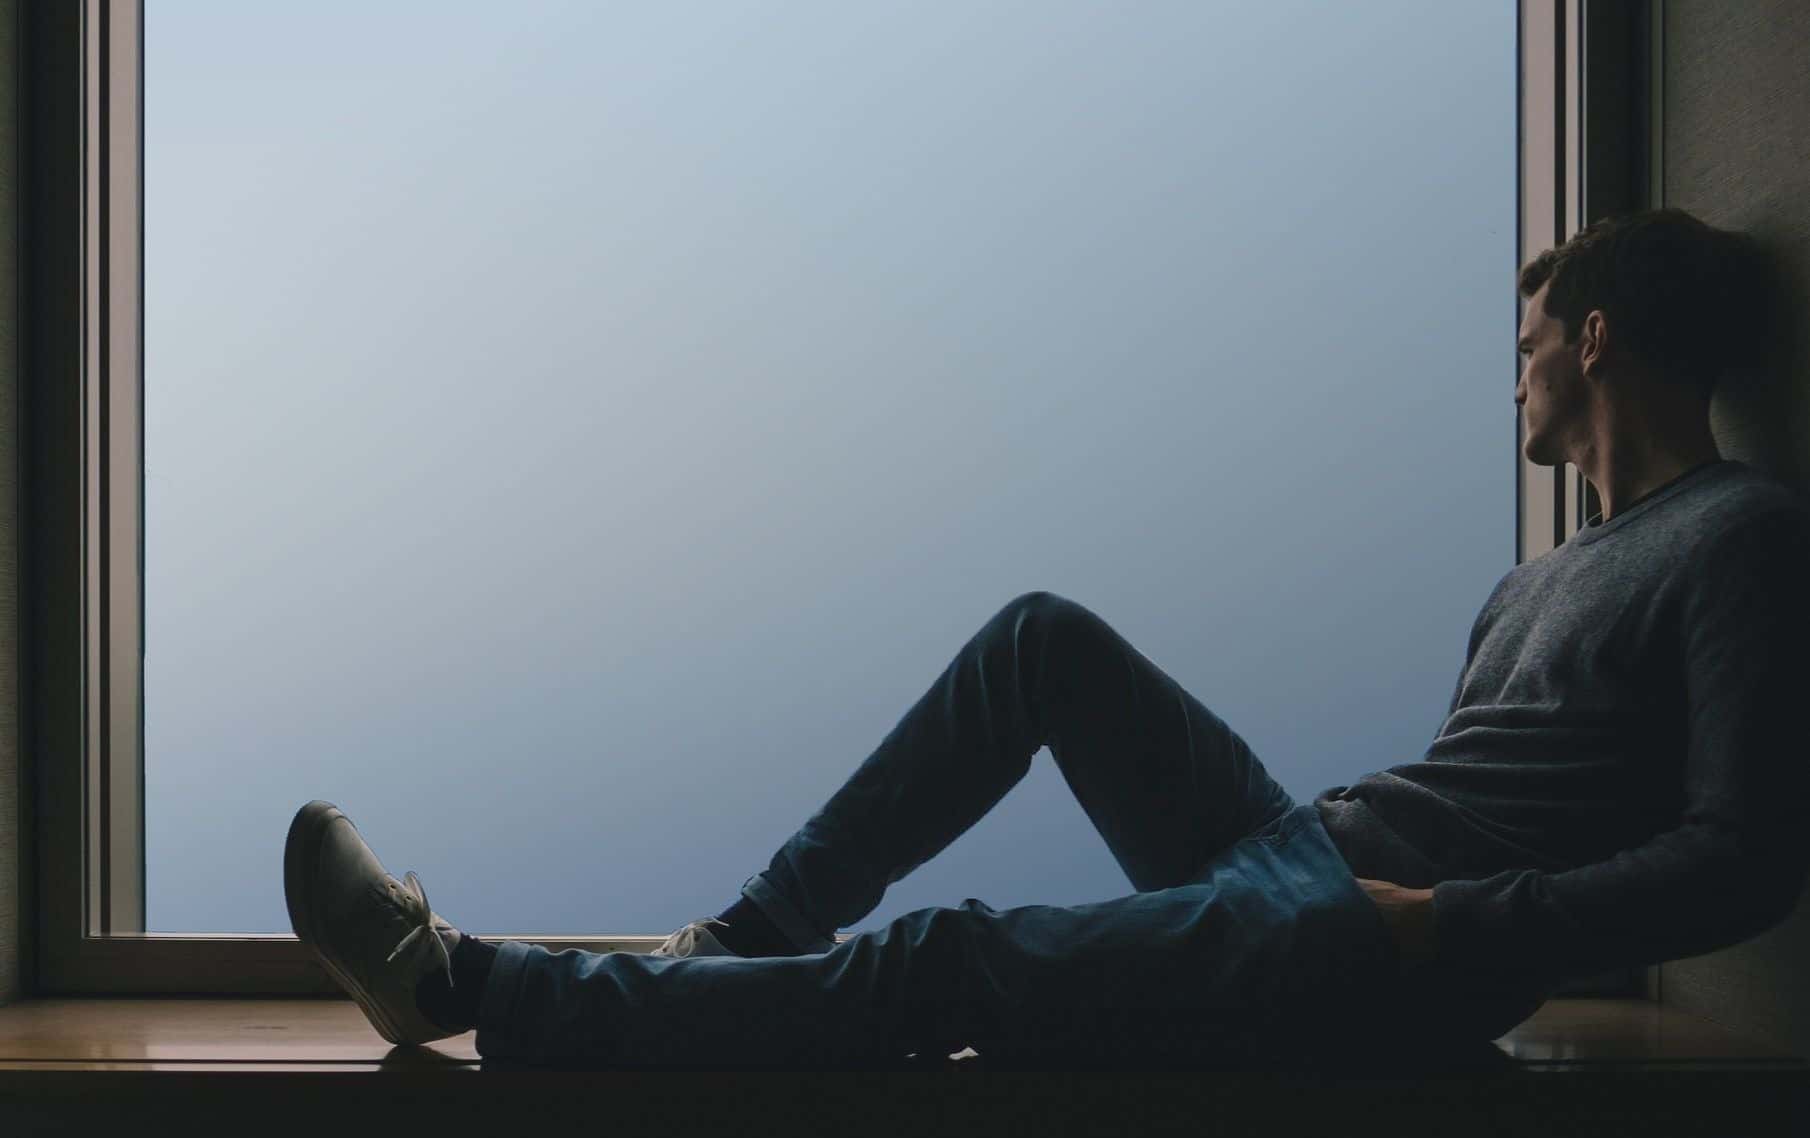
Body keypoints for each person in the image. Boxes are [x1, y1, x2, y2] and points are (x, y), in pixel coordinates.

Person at [283, 207, 1810, 1070]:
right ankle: (744, 936)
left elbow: (1741, 858)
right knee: (1040, 641)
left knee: (946, 958)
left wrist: (1437, 924)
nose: (1515, 375)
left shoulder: (1734, 533)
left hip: (1374, 939)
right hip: (1312, 856)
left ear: (1593, 339)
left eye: (1527, 344)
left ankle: (459, 982)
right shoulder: (1530, 580)